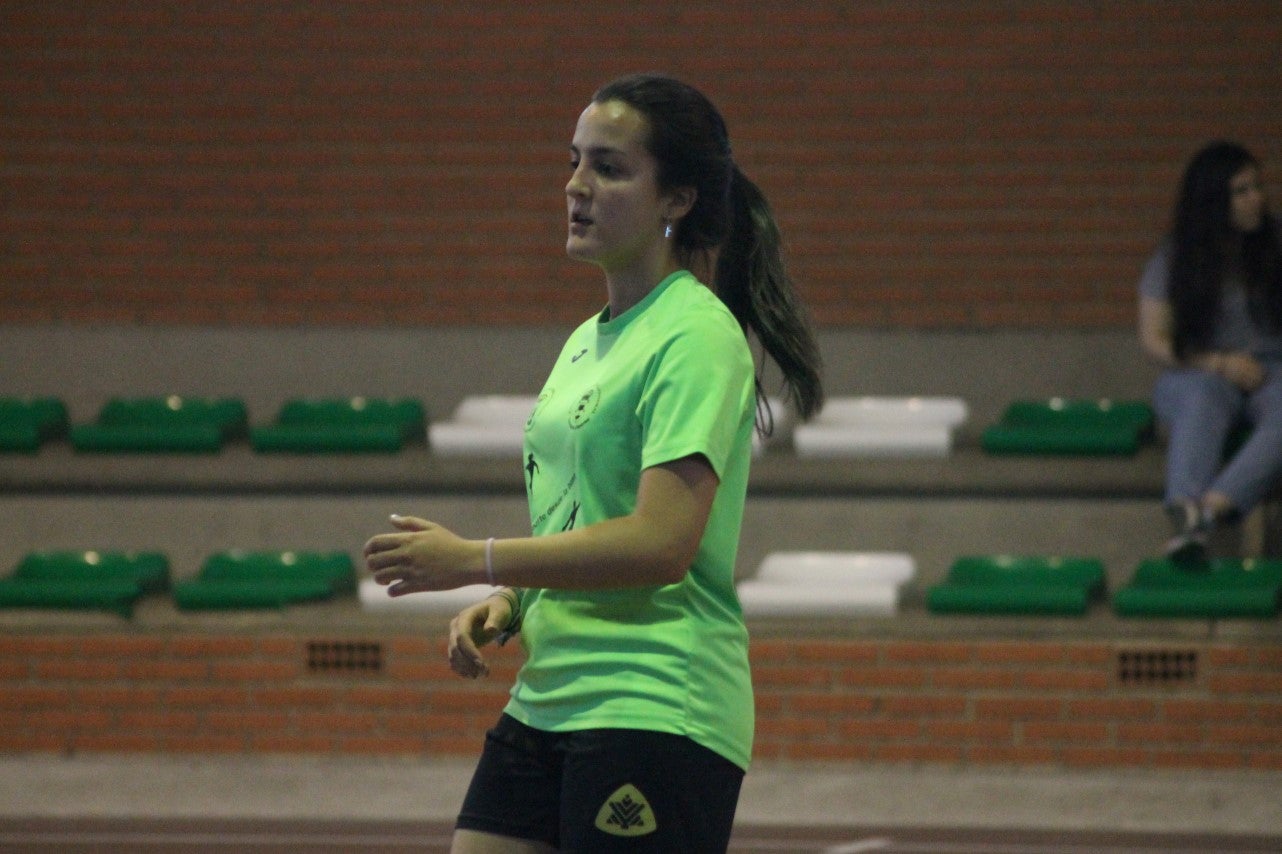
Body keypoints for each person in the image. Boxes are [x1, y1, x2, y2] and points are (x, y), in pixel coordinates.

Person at [364, 73, 823, 853]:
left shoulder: (696, 336)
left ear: (676, 200)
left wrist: (474, 560)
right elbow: (583, 517)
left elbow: (660, 543)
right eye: (575, 161)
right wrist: (512, 604)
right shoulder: (586, 340)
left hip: (653, 702)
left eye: (609, 168)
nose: (576, 186)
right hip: (548, 694)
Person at [1137, 140, 1282, 564]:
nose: (1256, 199)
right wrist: (1218, 363)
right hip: (1198, 369)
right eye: (1241, 191)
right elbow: (1155, 339)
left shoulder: (1277, 243)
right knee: (1201, 401)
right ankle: (1184, 506)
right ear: (1214, 202)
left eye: (1256, 187)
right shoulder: (1175, 256)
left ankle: (1205, 511)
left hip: (1272, 368)